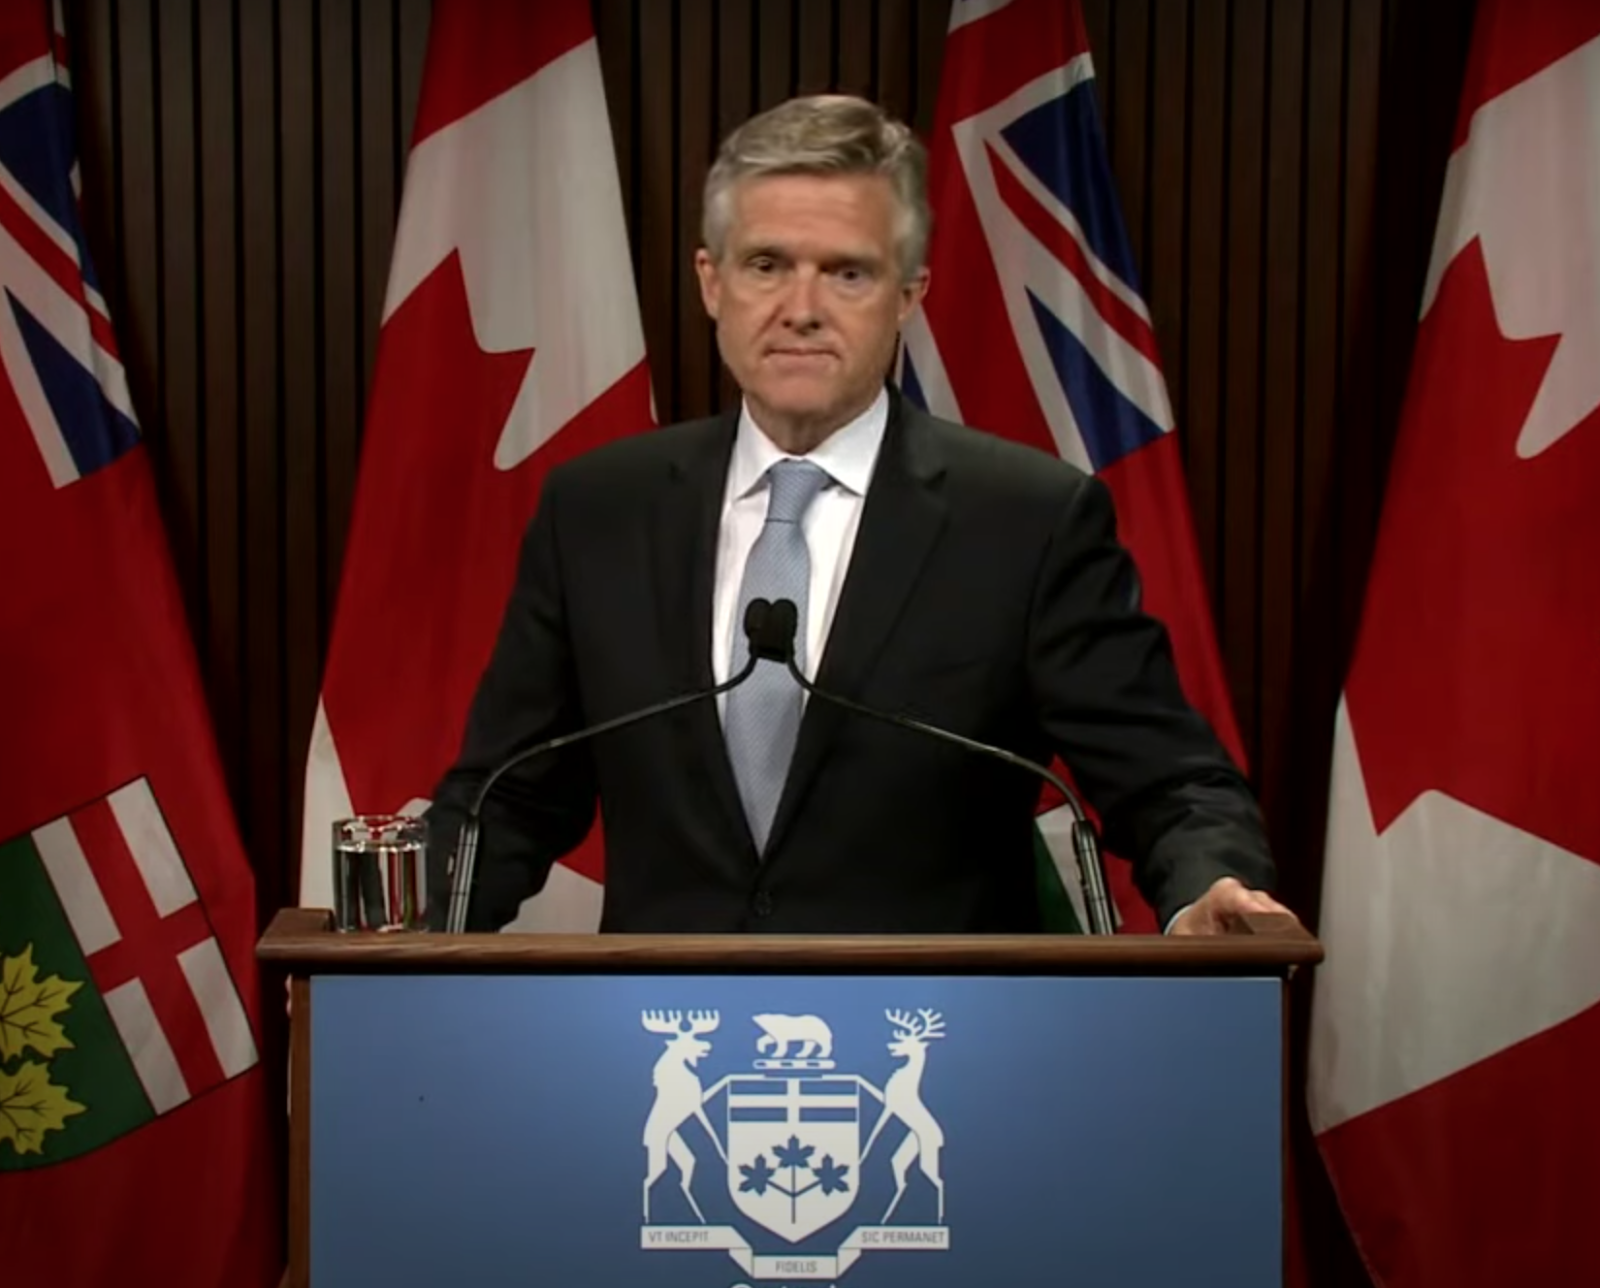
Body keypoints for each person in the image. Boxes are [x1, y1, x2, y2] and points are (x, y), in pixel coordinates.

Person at [423, 94, 1292, 937]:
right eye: (767, 265)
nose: (801, 309)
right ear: (712, 282)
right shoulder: (598, 511)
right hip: (667, 1025)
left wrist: (1207, 885)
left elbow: (1167, 781)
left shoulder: (1029, 521)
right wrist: (399, 926)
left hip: (936, 1026)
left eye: (847, 272)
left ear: (908, 293)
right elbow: (510, 796)